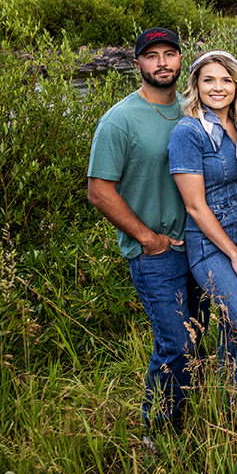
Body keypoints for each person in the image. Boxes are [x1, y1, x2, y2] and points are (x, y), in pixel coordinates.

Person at [87, 27, 205, 427]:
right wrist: (146, 238)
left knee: (201, 337)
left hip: (200, 246)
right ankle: (157, 429)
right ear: (137, 63)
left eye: (169, 54)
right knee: (176, 344)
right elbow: (99, 191)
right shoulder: (119, 120)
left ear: (179, 59)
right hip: (156, 253)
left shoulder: (195, 108)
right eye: (152, 55)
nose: (162, 63)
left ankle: (191, 417)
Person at [167, 50, 237, 392]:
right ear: (196, 84)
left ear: (236, 85)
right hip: (211, 246)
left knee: (233, 331)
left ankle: (227, 412)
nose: (218, 87)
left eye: (226, 80)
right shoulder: (189, 132)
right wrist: (234, 255)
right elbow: (195, 207)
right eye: (209, 79)